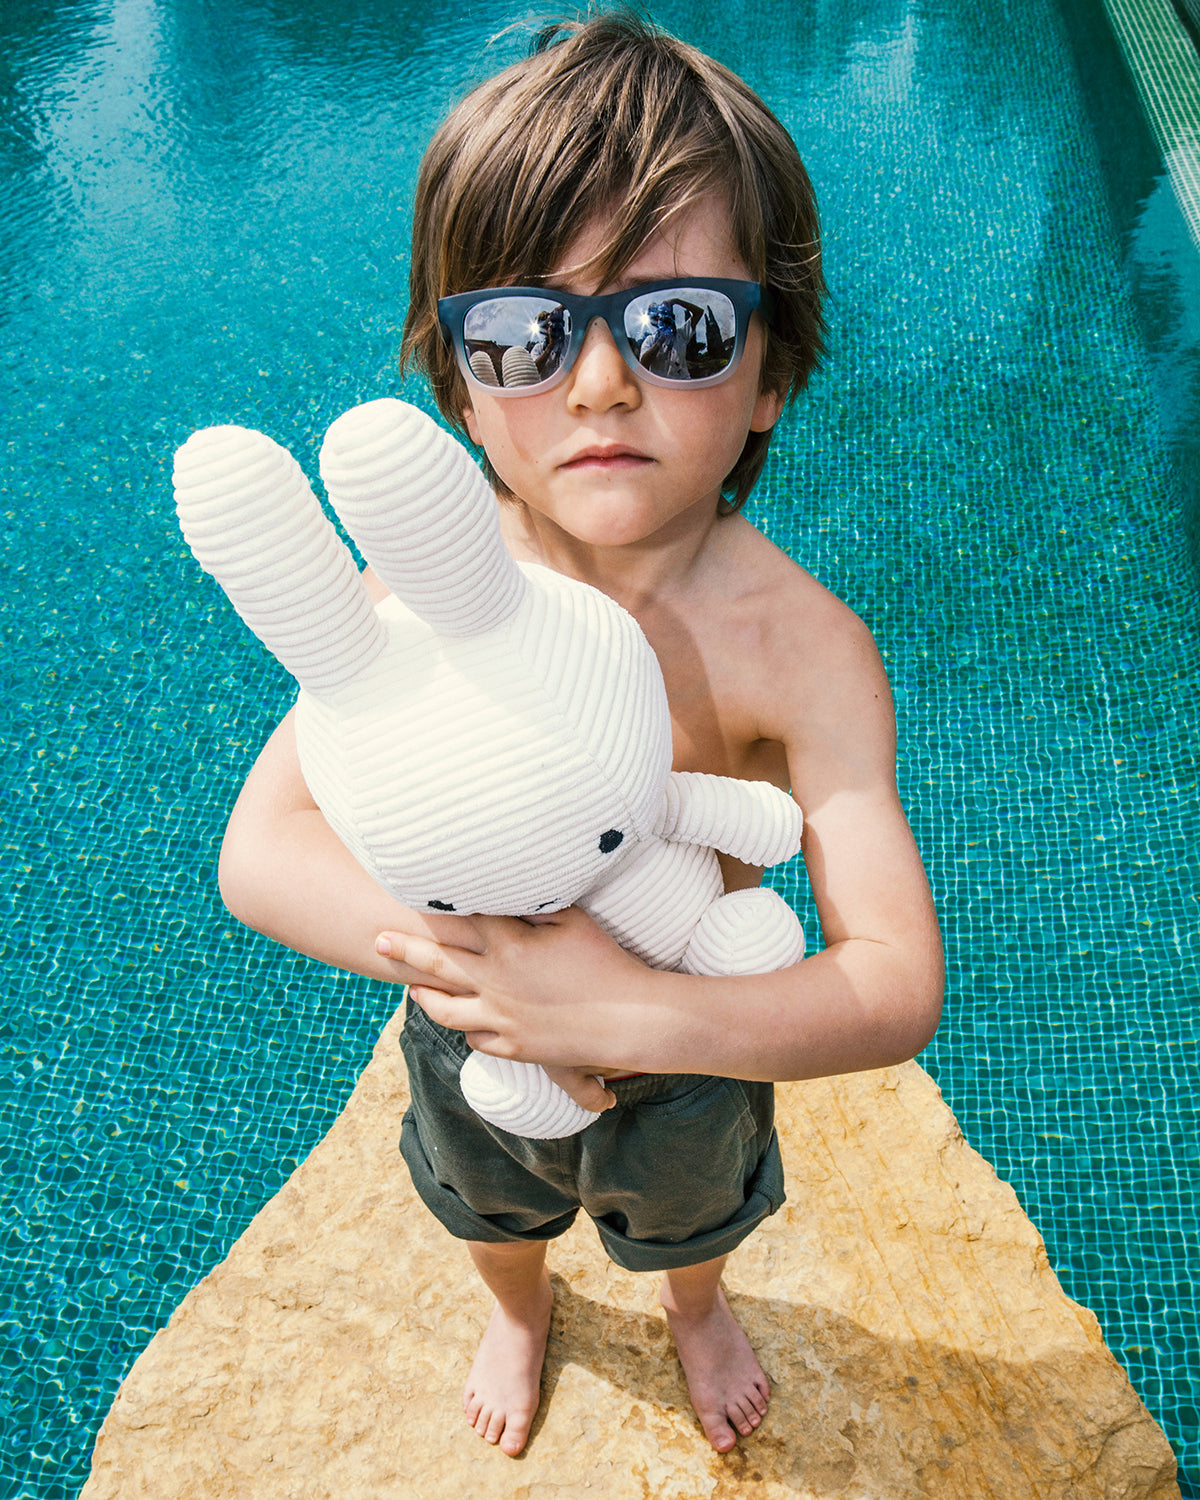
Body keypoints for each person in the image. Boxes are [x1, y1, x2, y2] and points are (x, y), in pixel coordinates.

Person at [217, 11, 943, 1463]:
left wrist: (630, 1015)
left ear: (770, 374)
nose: (600, 384)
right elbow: (261, 853)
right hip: (476, 1022)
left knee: (691, 1208)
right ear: (462, 389)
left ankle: (690, 1304)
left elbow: (894, 979)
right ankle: (520, 1302)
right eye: (526, 334)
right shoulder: (410, 605)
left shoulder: (798, 650)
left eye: (677, 328)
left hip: (692, 1033)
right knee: (488, 1199)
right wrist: (491, 980)